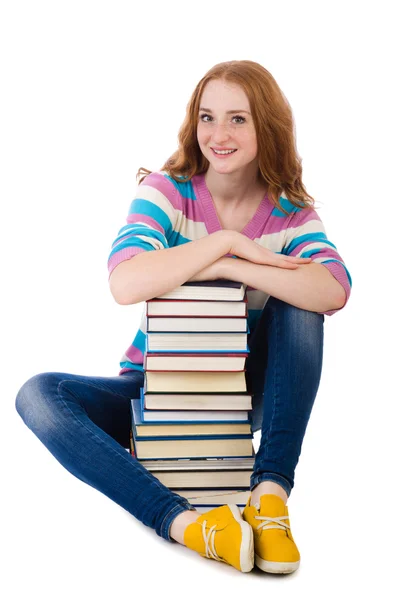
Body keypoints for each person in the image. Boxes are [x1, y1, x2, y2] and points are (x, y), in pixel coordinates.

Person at [15, 60, 352, 575]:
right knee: (37, 394)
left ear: (268, 125)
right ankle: (186, 523)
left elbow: (333, 288)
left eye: (238, 119)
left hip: (245, 392)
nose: (219, 135)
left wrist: (244, 268)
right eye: (207, 117)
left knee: (301, 303)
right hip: (156, 388)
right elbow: (125, 282)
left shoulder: (291, 215)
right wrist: (225, 246)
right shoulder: (168, 191)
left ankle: (269, 496)